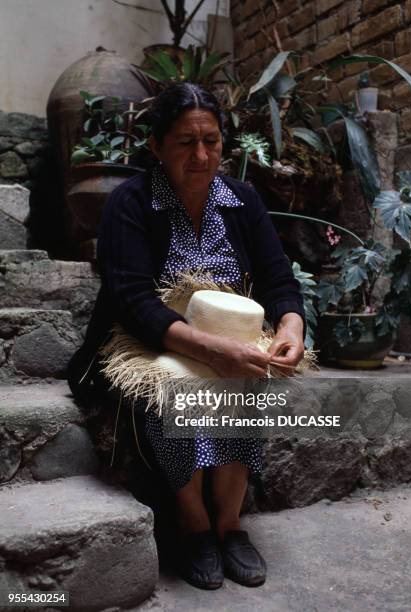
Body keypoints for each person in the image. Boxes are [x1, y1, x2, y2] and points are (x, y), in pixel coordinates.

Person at [68, 83, 305, 591]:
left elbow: (278, 279)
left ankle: (230, 524)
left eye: (212, 142)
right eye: (184, 142)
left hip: (227, 342)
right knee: (175, 392)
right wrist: (209, 349)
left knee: (246, 385)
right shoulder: (130, 203)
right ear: (156, 146)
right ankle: (194, 524)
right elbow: (132, 300)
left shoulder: (242, 201)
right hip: (149, 342)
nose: (201, 156)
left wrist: (290, 327)